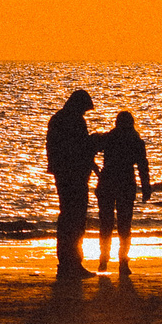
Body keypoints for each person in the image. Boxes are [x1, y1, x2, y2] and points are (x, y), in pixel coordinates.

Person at [45, 89, 98, 277]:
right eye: (84, 109)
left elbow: (68, 148)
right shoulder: (74, 121)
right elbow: (81, 148)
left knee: (67, 217)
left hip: (63, 174)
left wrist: (92, 166)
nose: (85, 113)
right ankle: (72, 263)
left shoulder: (57, 119)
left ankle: (66, 263)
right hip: (73, 176)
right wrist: (95, 143)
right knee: (75, 219)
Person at [96, 110, 152, 276]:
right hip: (125, 183)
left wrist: (95, 169)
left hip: (107, 182)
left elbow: (89, 148)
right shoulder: (135, 141)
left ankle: (104, 260)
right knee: (124, 225)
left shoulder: (109, 138)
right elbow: (142, 165)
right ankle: (122, 262)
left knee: (106, 223)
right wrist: (146, 186)